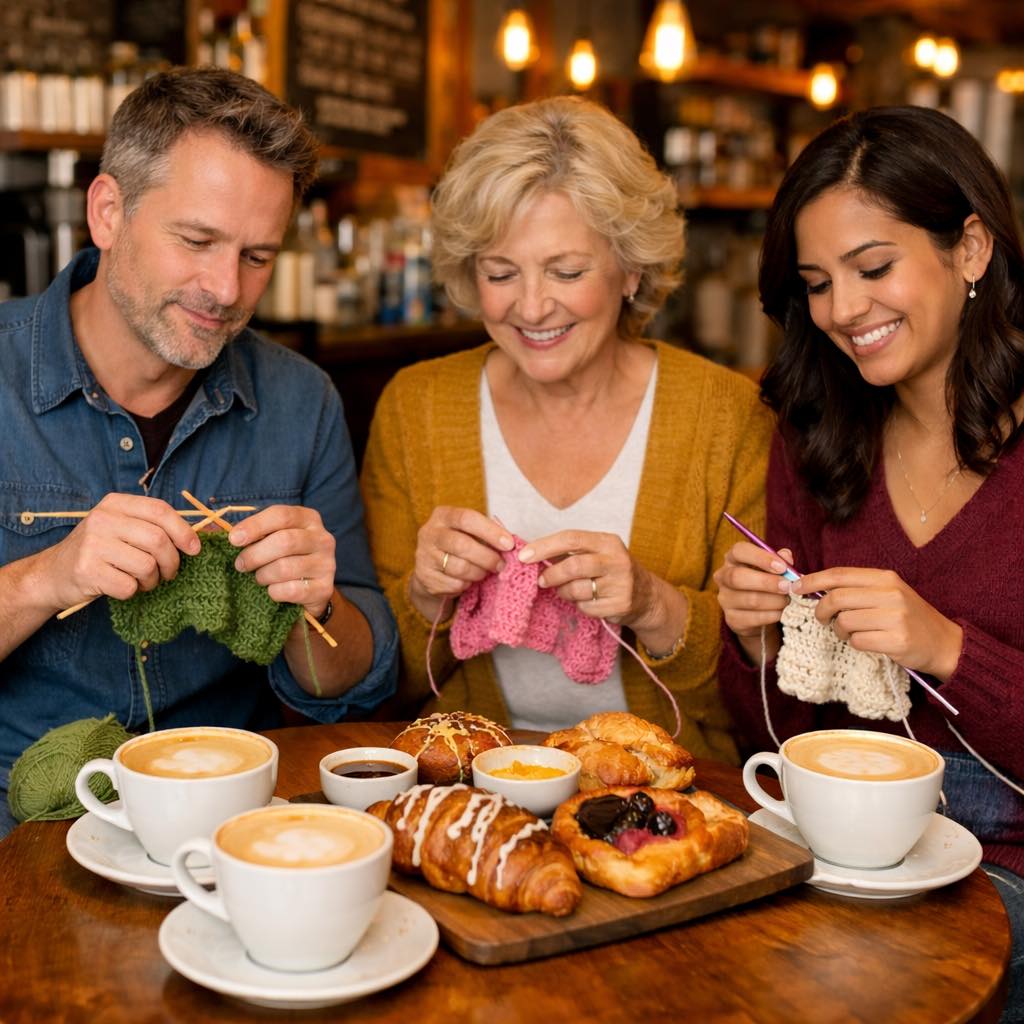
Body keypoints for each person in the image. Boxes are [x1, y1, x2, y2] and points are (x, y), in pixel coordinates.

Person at [0, 68, 398, 837]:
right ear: (109, 211)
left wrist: (318, 607)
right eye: (197, 240)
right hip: (21, 837)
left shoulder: (301, 401)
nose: (225, 288)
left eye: (257, 255)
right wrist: (49, 576)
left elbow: (350, 688)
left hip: (231, 831)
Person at [713, 105, 1024, 1021]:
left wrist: (949, 648)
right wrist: (758, 644)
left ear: (970, 248)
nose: (843, 310)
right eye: (816, 283)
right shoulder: (815, 434)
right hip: (837, 846)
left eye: (873, 267)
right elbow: (772, 744)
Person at [360, 95, 772, 758]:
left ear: (631, 267)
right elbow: (379, 691)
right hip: (472, 796)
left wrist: (653, 605)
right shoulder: (417, 407)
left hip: (673, 801)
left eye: (566, 270)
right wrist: (425, 598)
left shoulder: (725, 417)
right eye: (500, 273)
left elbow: (767, 703)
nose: (531, 305)